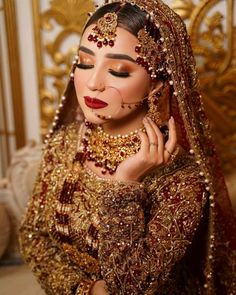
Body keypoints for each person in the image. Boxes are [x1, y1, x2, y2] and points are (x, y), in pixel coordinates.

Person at [19, 1, 236, 294]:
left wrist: (125, 184)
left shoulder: (182, 178)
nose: (93, 83)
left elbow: (130, 286)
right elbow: (33, 235)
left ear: (157, 84)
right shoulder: (65, 143)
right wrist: (85, 289)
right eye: (84, 62)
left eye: (119, 71)